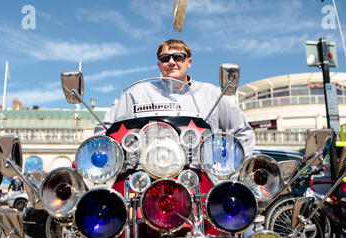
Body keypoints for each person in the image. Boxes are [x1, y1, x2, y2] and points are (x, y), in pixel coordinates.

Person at [95, 39, 255, 155]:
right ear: (159, 64)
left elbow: (243, 132)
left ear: (189, 62)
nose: (171, 62)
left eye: (178, 57)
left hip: (200, 177)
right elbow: (104, 130)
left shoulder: (211, 94)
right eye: (165, 58)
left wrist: (230, 165)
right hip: (143, 179)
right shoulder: (135, 94)